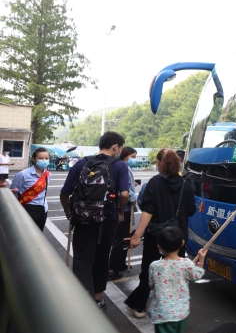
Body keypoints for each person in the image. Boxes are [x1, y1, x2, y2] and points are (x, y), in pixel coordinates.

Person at [59, 131, 130, 310]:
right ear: (115, 146)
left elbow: (64, 192)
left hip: (82, 219)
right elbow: (124, 194)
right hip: (108, 219)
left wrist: (68, 212)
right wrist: (121, 212)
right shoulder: (119, 165)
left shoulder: (82, 163)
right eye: (119, 148)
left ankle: (83, 302)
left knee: (83, 259)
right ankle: (97, 298)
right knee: (101, 258)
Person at [125, 149, 196, 318]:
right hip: (178, 238)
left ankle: (139, 306)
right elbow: (191, 210)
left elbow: (148, 210)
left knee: (149, 271)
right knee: (174, 273)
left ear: (161, 164)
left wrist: (137, 235)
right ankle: (172, 309)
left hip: (156, 236)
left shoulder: (154, 183)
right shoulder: (187, 184)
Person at [148, 226, 207, 333]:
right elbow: (197, 275)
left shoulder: (155, 266)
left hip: (162, 314)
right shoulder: (186, 264)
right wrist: (201, 259)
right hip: (181, 312)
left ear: (159, 247)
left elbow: (151, 284)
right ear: (182, 243)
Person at [108, 146, 139, 280]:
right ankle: (111, 268)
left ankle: (120, 263)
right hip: (123, 207)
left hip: (125, 207)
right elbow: (123, 191)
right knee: (120, 239)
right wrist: (133, 197)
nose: (134, 159)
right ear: (125, 154)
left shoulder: (121, 166)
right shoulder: (123, 167)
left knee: (124, 237)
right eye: (133, 156)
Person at [9, 147, 51, 230]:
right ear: (33, 159)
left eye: (46, 158)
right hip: (26, 209)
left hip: (42, 209)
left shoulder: (48, 175)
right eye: (41, 158)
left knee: (39, 234)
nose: (44, 160)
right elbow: (13, 194)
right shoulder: (22, 174)